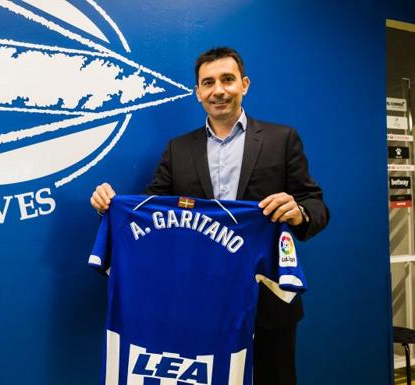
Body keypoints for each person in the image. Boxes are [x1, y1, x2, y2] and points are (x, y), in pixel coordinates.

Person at [89, 47, 329, 385]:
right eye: (208, 82)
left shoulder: (281, 139)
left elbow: (316, 205)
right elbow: (149, 209)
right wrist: (111, 205)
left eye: (227, 80)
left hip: (266, 305)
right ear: (198, 92)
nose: (219, 90)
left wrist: (299, 212)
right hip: (197, 303)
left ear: (244, 84)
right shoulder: (179, 148)